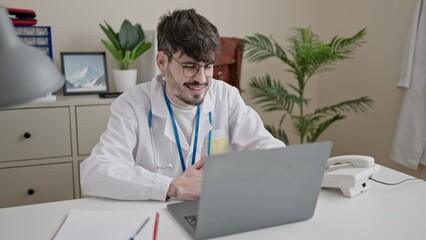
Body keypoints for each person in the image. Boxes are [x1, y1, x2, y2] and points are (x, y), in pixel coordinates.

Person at [80, 8, 285, 202]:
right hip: (156, 215)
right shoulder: (133, 104)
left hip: (211, 211)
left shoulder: (226, 96)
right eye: (189, 66)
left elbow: (270, 151)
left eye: (208, 66)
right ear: (162, 62)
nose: (202, 79)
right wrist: (170, 186)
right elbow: (95, 172)